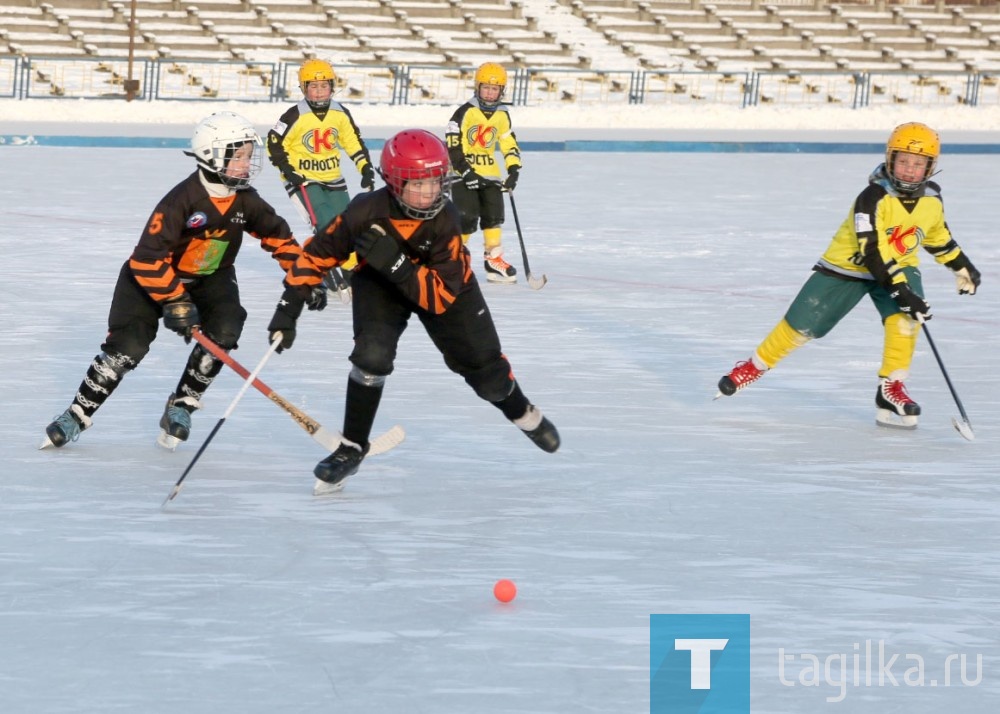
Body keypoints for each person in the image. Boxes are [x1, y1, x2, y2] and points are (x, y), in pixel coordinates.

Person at [266, 128, 559, 488]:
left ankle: (523, 413)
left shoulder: (447, 220)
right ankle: (352, 447)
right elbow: (317, 255)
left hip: (447, 289)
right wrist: (288, 308)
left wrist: (397, 263)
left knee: (488, 378)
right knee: (371, 357)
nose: (428, 193)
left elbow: (437, 298)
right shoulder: (364, 210)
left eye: (435, 182)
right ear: (392, 182)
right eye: (416, 184)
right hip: (381, 285)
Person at [42, 111, 320, 450]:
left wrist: (306, 277)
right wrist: (175, 300)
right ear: (213, 156)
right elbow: (146, 259)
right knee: (128, 349)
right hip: (151, 279)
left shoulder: (246, 200)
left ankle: (182, 405)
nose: (247, 164)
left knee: (227, 328)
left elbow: (280, 238)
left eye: (249, 155)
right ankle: (77, 413)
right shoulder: (182, 201)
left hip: (210, 277)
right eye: (241, 156)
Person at [716, 122, 981, 429]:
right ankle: (754, 367)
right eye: (904, 161)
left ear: (930, 167)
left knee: (907, 319)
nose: (910, 170)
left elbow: (938, 238)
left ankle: (890, 388)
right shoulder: (872, 196)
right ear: (891, 159)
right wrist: (901, 291)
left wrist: (963, 266)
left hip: (897, 265)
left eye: (918, 164)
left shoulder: (932, 200)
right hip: (849, 266)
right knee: (802, 326)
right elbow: (871, 251)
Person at [267, 59, 375, 299]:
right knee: (326, 225)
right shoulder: (294, 114)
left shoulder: (339, 113)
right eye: (313, 86)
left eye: (323, 86)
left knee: (349, 227)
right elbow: (273, 143)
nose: (319, 91)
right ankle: (338, 270)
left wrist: (365, 168)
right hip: (304, 181)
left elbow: (353, 142)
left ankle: (345, 266)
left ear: (332, 87)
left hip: (333, 179)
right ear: (303, 88)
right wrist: (288, 170)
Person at [446, 61, 522, 284]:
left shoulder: (502, 115)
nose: (489, 93)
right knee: (466, 216)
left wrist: (514, 169)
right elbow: (452, 144)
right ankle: (454, 260)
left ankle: (493, 260)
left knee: (493, 215)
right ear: (477, 88)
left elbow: (508, 143)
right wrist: (465, 171)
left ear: (502, 91)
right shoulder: (465, 112)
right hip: (463, 173)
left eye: (495, 89)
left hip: (489, 172)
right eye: (486, 88)